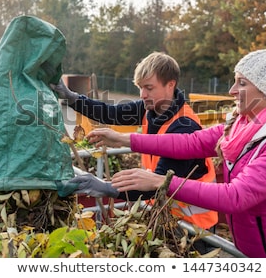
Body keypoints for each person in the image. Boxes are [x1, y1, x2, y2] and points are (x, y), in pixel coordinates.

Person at [85, 49, 266, 258]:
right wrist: (123, 138)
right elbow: (190, 142)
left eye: (241, 84)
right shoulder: (242, 124)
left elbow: (235, 196)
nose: (232, 91)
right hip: (251, 250)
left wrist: (159, 181)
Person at [51, 51, 219, 254]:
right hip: (164, 217)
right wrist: (72, 97)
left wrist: (109, 188)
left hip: (192, 227)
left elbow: (159, 183)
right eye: (140, 88)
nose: (142, 95)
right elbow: (109, 112)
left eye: (149, 88)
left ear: (170, 85)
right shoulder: (152, 109)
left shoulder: (184, 126)